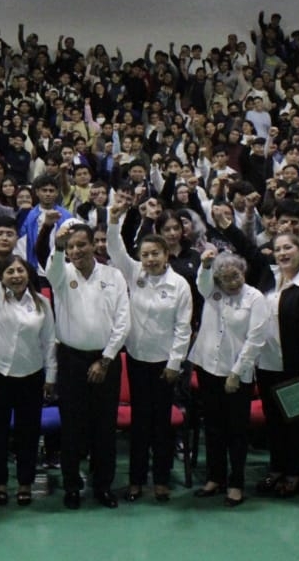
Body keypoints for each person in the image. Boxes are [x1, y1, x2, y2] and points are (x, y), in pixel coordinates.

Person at [104, 194, 192, 503]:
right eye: (145, 254)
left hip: (165, 365)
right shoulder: (134, 274)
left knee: (162, 425)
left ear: (166, 254)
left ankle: (162, 480)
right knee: (139, 424)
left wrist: (175, 363)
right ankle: (137, 480)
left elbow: (184, 328)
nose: (150, 259)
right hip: (137, 361)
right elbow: (114, 249)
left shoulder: (179, 284)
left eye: (156, 254)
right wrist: (114, 219)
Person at [45, 219, 130, 509]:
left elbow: (123, 321)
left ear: (95, 245)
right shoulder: (61, 273)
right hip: (71, 360)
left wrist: (106, 359)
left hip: (105, 359)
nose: (77, 250)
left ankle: (103, 485)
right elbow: (52, 269)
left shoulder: (114, 276)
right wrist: (57, 247)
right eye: (71, 247)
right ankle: (71, 485)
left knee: (105, 426)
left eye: (82, 244)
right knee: (72, 427)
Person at [0, 221, 53, 507]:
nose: (15, 275)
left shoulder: (42, 303)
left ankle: (25, 483)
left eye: (20, 271)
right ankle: (0, 482)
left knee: (28, 433)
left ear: (28, 274)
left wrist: (51, 377)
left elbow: (49, 341)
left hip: (30, 376)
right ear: (2, 277)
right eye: (10, 271)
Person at [189, 249, 268, 507]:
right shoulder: (212, 291)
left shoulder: (255, 298)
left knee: (236, 431)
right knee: (212, 427)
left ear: (243, 272)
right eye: (224, 279)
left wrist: (236, 372)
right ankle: (215, 477)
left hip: (236, 374)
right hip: (207, 368)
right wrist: (206, 264)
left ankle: (236, 483)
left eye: (235, 276)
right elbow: (202, 281)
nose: (231, 282)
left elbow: (256, 339)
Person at [250, 230, 299, 499]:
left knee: (294, 423)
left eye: (288, 248)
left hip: (296, 366)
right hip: (267, 363)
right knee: (273, 422)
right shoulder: (270, 280)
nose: (282, 253)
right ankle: (276, 469)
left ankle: (294, 475)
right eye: (278, 249)